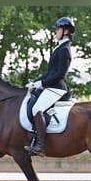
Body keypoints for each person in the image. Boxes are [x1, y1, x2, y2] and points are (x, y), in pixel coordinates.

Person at [24, 17, 75, 156]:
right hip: (51, 86)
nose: (56, 32)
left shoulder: (65, 49)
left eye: (58, 29)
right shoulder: (60, 47)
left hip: (57, 87)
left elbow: (59, 74)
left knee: (37, 108)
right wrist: (35, 82)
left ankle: (40, 145)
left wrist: (42, 83)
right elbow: (50, 72)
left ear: (65, 31)